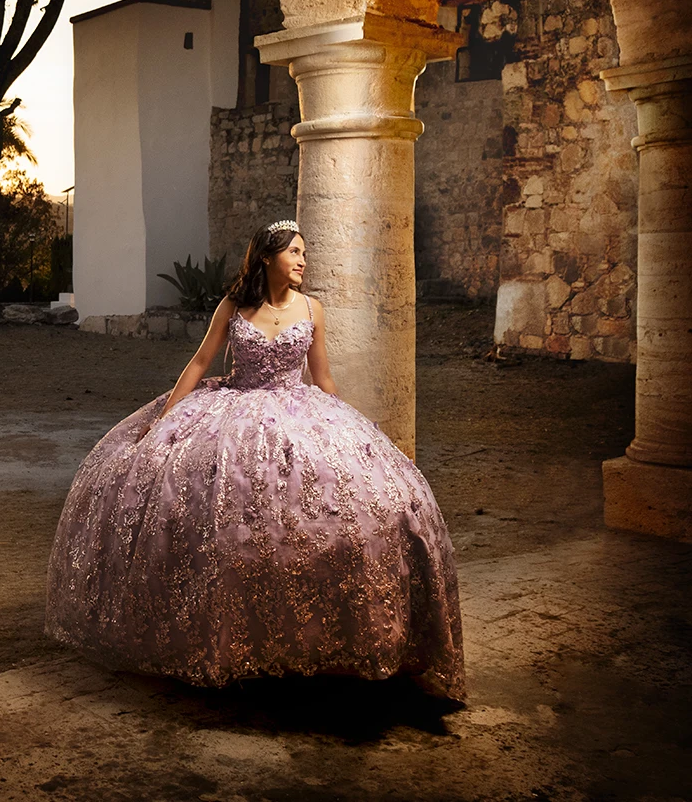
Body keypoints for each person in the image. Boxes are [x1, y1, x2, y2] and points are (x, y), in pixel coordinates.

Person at [45, 220, 465, 701]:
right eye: (295, 252)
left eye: (305, 252)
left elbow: (323, 378)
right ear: (267, 257)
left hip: (298, 411)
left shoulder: (313, 309)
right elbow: (201, 362)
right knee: (220, 516)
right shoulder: (234, 306)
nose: (303, 260)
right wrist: (164, 417)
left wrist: (354, 430)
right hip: (233, 412)